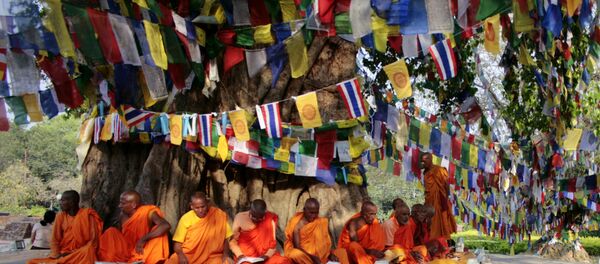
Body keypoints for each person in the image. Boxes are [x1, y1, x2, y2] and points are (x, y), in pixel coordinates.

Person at [28, 190, 103, 264]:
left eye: (62, 201)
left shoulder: (87, 215)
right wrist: (56, 254)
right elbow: (55, 239)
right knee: (32, 262)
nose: (60, 203)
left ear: (72, 202)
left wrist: (75, 253)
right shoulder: (60, 216)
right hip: (64, 253)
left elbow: (94, 241)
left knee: (89, 250)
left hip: (82, 253)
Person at [97, 190, 170, 264]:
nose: (119, 206)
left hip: (141, 250)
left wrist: (143, 239)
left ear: (133, 205)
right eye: (120, 202)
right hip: (126, 251)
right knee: (111, 232)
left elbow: (165, 225)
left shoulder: (147, 212)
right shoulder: (122, 215)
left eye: (123, 203)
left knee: (160, 234)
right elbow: (121, 236)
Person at [165, 192, 234, 264]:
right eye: (197, 208)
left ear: (207, 204)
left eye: (203, 207)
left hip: (213, 256)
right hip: (189, 254)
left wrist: (225, 255)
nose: (200, 210)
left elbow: (226, 238)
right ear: (191, 206)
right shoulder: (186, 218)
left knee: (226, 262)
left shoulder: (218, 215)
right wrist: (181, 255)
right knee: (172, 261)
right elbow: (177, 243)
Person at [284, 198, 349, 264]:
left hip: (321, 257)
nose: (314, 216)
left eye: (316, 213)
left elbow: (325, 245)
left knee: (342, 252)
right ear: (304, 210)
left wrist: (330, 254)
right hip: (306, 256)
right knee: (295, 254)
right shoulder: (297, 225)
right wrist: (312, 257)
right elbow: (297, 247)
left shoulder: (321, 222)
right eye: (311, 213)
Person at [229, 199, 291, 264]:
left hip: (265, 257)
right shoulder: (240, 217)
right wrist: (240, 255)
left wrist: (266, 256)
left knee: (283, 261)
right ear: (251, 210)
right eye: (253, 216)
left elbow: (272, 246)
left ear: (265, 213)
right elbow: (232, 241)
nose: (256, 219)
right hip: (246, 257)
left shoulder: (269, 219)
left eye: (260, 218)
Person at [421, 153, 457, 240]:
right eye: (422, 162)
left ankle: (442, 240)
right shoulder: (425, 173)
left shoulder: (439, 170)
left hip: (440, 201)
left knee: (441, 220)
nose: (423, 164)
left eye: (425, 161)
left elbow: (446, 185)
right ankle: (430, 240)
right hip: (429, 201)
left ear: (431, 160)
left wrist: (445, 198)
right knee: (430, 221)